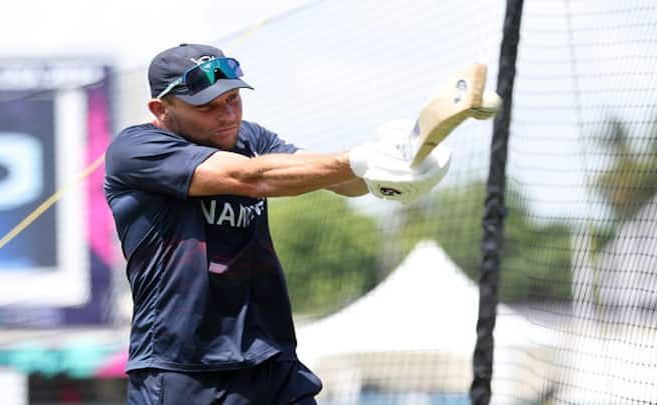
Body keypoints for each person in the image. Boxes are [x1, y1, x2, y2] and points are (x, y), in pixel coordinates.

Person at [104, 43, 452, 404]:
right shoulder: (136, 149)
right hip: (184, 371)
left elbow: (332, 177)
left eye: (233, 99)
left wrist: (395, 167)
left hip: (273, 363)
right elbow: (249, 178)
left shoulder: (250, 138)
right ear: (161, 109)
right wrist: (360, 160)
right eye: (207, 107)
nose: (227, 115)